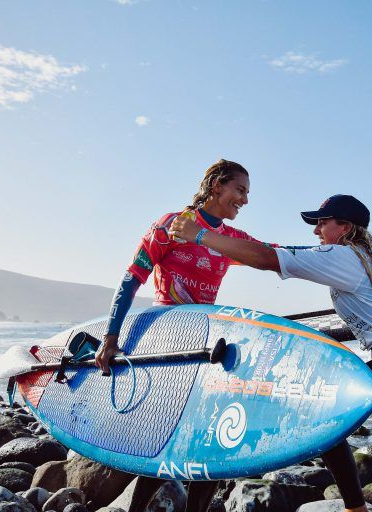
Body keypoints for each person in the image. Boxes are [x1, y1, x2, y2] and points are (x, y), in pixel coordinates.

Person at [169, 194, 372, 512]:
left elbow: (267, 258)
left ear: (344, 227)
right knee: (324, 412)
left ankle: (357, 505)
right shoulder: (363, 256)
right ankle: (354, 506)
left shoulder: (344, 258)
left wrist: (200, 235)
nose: (316, 230)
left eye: (321, 222)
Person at [94, 159, 257, 512]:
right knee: (166, 435)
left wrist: (329, 252)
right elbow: (131, 279)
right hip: (169, 339)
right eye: (239, 190)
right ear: (217, 186)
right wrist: (110, 337)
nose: (244, 199)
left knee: (211, 440)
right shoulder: (172, 225)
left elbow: (271, 254)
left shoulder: (229, 238)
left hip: (206, 341)